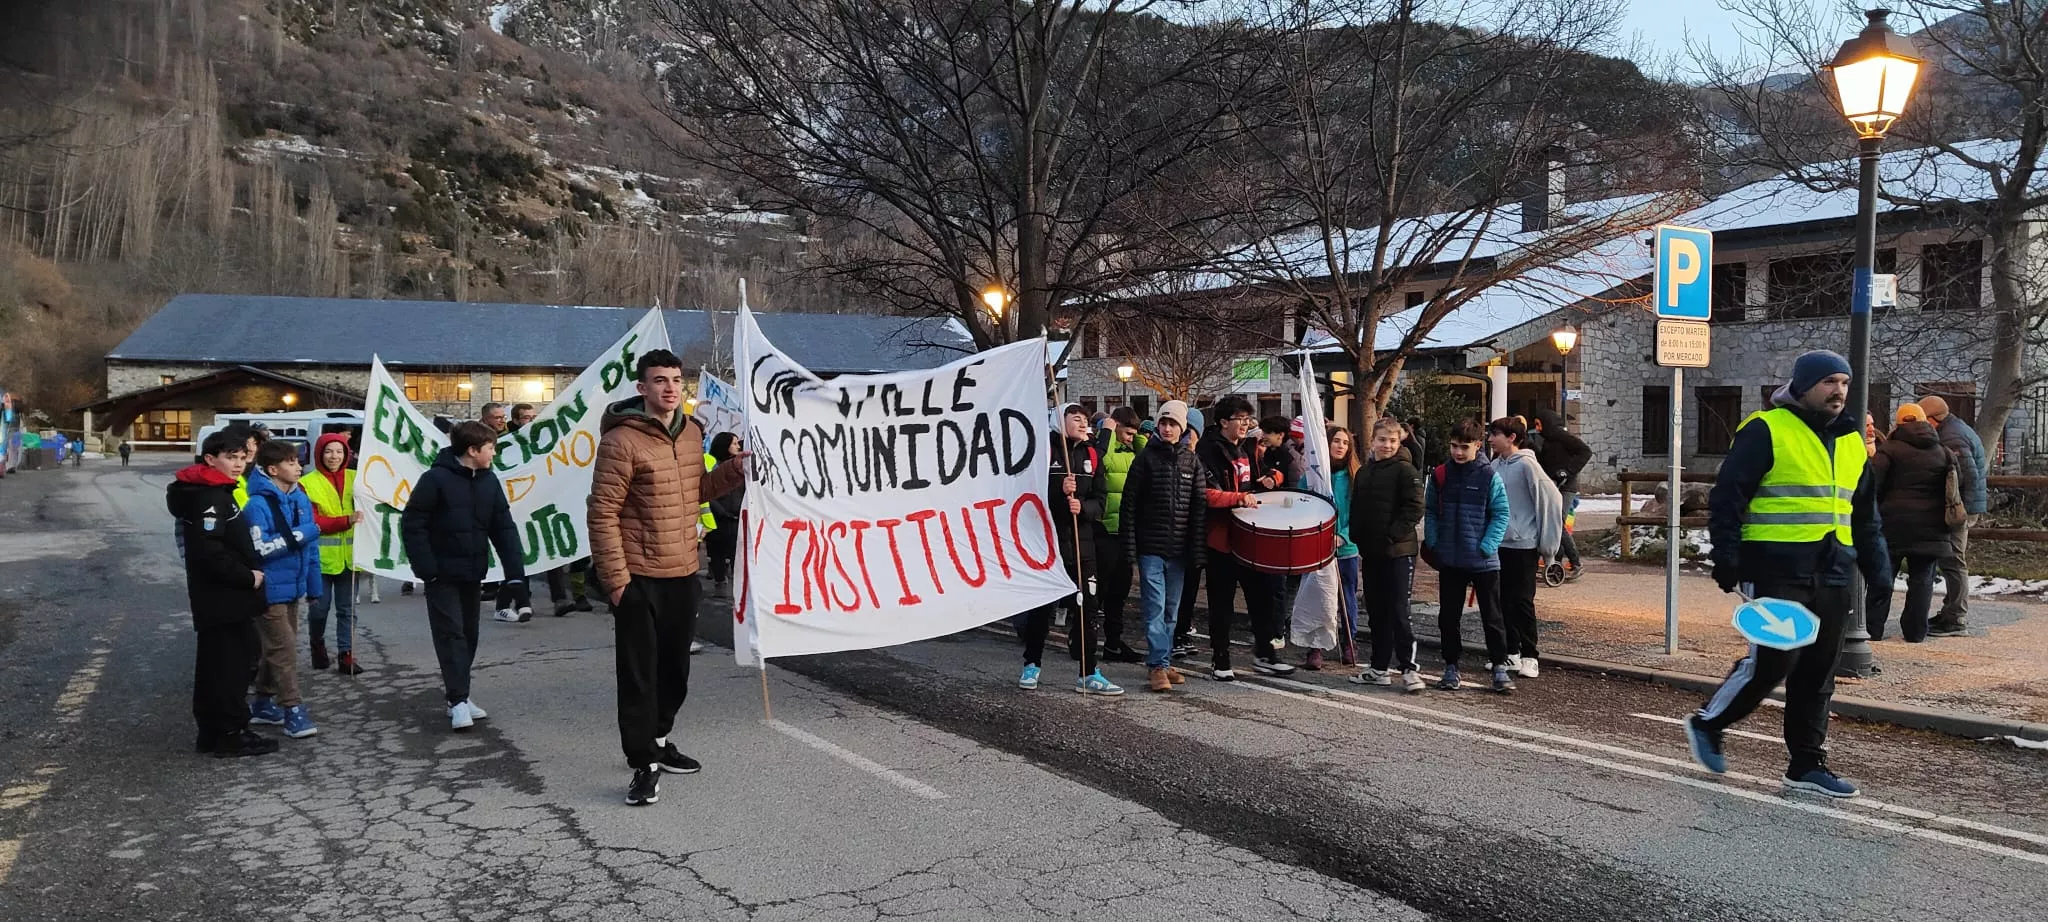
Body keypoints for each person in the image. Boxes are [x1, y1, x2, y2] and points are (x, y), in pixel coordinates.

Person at [1686, 350, 1889, 799]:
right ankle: (1708, 722)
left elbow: (1864, 514)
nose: (1838, 391)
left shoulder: (1853, 439)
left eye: (1844, 382)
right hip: (1776, 567)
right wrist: (1727, 557)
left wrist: (1880, 573)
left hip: (1835, 569)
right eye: (1828, 382)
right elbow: (1728, 497)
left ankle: (1806, 765)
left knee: (1818, 671)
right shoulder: (1766, 429)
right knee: (1776, 660)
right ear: (1802, 385)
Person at [589, 349, 746, 807]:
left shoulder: (693, 432)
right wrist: (617, 583)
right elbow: (602, 513)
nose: (671, 388)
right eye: (660, 380)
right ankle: (642, 762)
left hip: (683, 571)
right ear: (642, 388)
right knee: (640, 674)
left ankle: (659, 739)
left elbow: (696, 489)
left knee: (675, 671)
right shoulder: (622, 441)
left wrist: (736, 470)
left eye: (677, 380)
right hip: (638, 576)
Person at [402, 421, 526, 732]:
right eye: (490, 448)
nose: (493, 454)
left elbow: (504, 527)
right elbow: (413, 524)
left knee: (469, 633)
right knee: (451, 633)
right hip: (441, 575)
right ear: (472, 451)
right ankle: (458, 701)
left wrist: (515, 574)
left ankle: (460, 694)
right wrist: (427, 569)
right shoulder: (435, 480)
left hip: (473, 573)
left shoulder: (489, 481)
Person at [173, 430, 277, 758]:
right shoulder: (209, 496)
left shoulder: (218, 490)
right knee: (232, 665)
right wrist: (248, 577)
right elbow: (210, 552)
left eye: (242, 457)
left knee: (218, 664)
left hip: (223, 599)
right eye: (230, 457)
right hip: (223, 598)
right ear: (210, 459)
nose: (238, 464)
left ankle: (213, 731)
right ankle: (231, 732)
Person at [1019, 405, 1122, 695]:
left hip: (1083, 543)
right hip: (1048, 543)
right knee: (1043, 607)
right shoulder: (1044, 452)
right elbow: (1028, 496)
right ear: (1058, 421)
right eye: (1075, 417)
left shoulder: (1092, 455)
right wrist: (1058, 493)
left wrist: (1084, 507)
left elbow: (1101, 499)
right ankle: (1031, 664)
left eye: (1085, 419)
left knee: (1088, 608)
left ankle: (1088, 672)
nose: (1082, 422)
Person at [1197, 396, 1290, 679]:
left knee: (1261, 598)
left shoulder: (1249, 449)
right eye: (1241, 419)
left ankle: (1265, 653)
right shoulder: (1208, 449)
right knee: (1222, 602)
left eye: (1249, 419)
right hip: (1221, 538)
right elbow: (1205, 494)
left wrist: (1274, 477)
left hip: (1251, 535)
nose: (1247, 425)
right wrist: (1239, 498)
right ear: (1224, 422)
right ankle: (1220, 658)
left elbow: (1267, 477)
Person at [1119, 400, 1207, 692]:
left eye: (1173, 424)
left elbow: (1199, 508)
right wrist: (1130, 549)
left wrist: (1196, 550)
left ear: (1182, 428)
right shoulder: (1145, 459)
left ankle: (1164, 660)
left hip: (1179, 551)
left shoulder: (1191, 462)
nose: (1167, 428)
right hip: (1151, 548)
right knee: (1154, 607)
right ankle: (1157, 665)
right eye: (1163, 423)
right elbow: (1129, 506)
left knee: (1172, 610)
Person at [242, 439, 324, 740]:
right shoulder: (258, 505)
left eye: (297, 461)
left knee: (277, 649)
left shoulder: (299, 498)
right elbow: (260, 547)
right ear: (273, 469)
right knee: (285, 650)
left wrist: (313, 586)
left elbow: (310, 547)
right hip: (269, 591)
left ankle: (262, 702)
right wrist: (304, 533)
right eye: (291, 462)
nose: (298, 466)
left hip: (293, 588)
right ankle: (292, 709)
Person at [1423, 421, 1513, 693]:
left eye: (1464, 447)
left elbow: (1501, 514)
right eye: (1454, 446)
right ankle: (1451, 666)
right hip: (1450, 559)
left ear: (1478, 445)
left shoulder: (1489, 477)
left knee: (1493, 616)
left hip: (1483, 561)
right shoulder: (1440, 475)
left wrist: (1487, 546)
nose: (1458, 452)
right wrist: (1434, 542)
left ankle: (1499, 666)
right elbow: (1431, 512)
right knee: (1448, 617)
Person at [1866, 404, 1956, 643]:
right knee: (1922, 581)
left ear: (1898, 424)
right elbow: (1957, 487)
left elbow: (1873, 486)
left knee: (1882, 577)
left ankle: (1873, 629)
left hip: (1892, 525)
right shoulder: (1944, 452)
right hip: (1932, 527)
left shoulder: (1889, 450)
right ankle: (1915, 632)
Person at [1349, 417, 1426, 693]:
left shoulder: (1406, 471)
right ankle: (1379, 668)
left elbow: (1415, 508)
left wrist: (1391, 535)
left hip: (1398, 552)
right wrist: (1358, 536)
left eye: (1392, 440)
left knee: (1398, 611)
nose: (1387, 445)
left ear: (1400, 441)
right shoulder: (1365, 472)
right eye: (1382, 440)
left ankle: (1409, 669)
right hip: (1371, 553)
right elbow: (1357, 507)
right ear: (1373, 441)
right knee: (1377, 611)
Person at [1486, 417, 1563, 680]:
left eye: (1495, 434)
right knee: (1503, 600)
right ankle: (1512, 652)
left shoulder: (1529, 466)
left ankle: (1531, 656)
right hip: (1500, 543)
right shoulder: (1495, 465)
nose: (1490, 439)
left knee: (1522, 601)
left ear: (1511, 438)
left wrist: (1548, 547)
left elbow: (1551, 501)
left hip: (1524, 544)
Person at [1916, 395, 1987, 636]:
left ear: (1933, 419)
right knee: (1952, 560)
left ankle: (1956, 617)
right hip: (1962, 507)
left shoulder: (1952, 437)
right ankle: (1951, 612)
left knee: (1954, 561)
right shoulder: (1956, 429)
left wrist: (1959, 511)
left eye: (1923, 420)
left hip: (1958, 509)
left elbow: (1965, 476)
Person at [301, 433, 368, 675]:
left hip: (351, 558)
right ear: (320, 453)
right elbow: (312, 521)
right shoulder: (307, 483)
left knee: (347, 610)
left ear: (347, 454)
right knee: (319, 610)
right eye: (329, 451)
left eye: (339, 451)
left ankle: (346, 655)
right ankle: (317, 644)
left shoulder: (357, 479)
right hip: (319, 560)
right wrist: (345, 521)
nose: (334, 456)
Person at [1095, 407, 1147, 663]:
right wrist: (1107, 432)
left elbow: (1146, 457)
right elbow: (1098, 462)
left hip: (1125, 530)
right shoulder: (1104, 449)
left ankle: (1113, 643)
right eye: (1127, 433)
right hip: (1103, 529)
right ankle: (1081, 639)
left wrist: (1134, 436)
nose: (1130, 438)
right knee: (1099, 591)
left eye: (1133, 434)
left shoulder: (1132, 452)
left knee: (1119, 591)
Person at [1307, 425, 1361, 670]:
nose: (1340, 446)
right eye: (1336, 441)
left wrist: (1343, 535)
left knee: (1346, 597)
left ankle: (1349, 641)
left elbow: (1360, 513)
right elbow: (1303, 503)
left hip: (1345, 549)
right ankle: (1315, 646)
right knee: (1318, 597)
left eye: (1345, 442)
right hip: (1317, 549)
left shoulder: (1355, 477)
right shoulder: (1314, 475)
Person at [1530, 410, 1591, 580]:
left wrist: (1568, 471)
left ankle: (1576, 563)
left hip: (1566, 487)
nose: (1537, 428)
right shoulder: (1548, 440)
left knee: (1557, 523)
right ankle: (1555, 561)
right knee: (1551, 522)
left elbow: (1585, 451)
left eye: (1538, 424)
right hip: (1554, 485)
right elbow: (1546, 462)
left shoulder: (1561, 437)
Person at [702, 432, 744, 595]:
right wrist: (722, 512)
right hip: (718, 519)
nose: (738, 446)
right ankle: (720, 583)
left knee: (737, 553)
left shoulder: (740, 466)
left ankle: (738, 587)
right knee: (718, 552)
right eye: (734, 443)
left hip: (736, 519)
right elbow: (707, 492)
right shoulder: (711, 464)